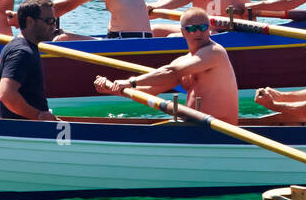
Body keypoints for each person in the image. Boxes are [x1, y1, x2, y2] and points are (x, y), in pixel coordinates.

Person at [95, 7, 239, 125]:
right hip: (193, 126)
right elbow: (150, 90)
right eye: (192, 28)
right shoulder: (183, 61)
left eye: (203, 27)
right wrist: (113, 89)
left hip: (220, 130)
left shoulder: (215, 52)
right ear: (183, 32)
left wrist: (131, 81)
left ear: (209, 29)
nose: (198, 32)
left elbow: (172, 71)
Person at [0, 0, 57, 121]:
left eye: (55, 21)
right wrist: (38, 116)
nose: (53, 26)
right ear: (30, 21)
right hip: (29, 131)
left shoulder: (11, 46)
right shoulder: (22, 52)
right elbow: (6, 94)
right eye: (49, 21)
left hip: (15, 130)